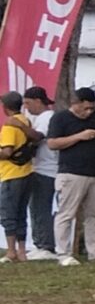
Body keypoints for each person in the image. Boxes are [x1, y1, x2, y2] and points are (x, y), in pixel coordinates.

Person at [48, 89, 95, 263]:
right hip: (71, 172)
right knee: (66, 213)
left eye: (92, 108)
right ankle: (63, 253)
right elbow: (52, 143)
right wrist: (79, 136)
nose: (89, 112)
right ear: (75, 103)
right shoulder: (60, 118)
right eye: (86, 108)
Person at [18, 87, 59, 259]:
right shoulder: (40, 118)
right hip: (41, 167)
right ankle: (39, 242)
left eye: (28, 103)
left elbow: (38, 136)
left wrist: (20, 126)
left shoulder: (46, 117)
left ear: (38, 101)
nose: (27, 108)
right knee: (35, 207)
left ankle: (46, 245)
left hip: (47, 168)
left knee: (41, 207)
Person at [1, 95, 40, 262]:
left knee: (8, 213)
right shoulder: (25, 121)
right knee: (21, 212)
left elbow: (7, 152)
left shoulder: (9, 126)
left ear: (5, 107)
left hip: (11, 173)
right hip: (27, 171)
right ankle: (22, 251)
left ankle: (11, 251)